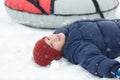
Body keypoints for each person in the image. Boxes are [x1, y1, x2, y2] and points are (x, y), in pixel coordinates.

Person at [33, 19, 120, 78]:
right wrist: (114, 69)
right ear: (57, 53)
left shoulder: (64, 31)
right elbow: (92, 60)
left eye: (48, 38)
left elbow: (93, 21)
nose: (53, 38)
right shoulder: (75, 48)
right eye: (52, 45)